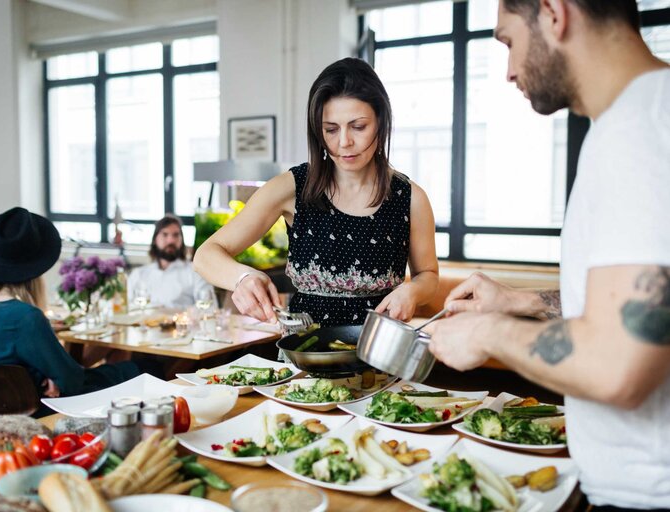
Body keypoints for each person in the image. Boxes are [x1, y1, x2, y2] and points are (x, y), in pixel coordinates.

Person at [426, 0, 669, 509]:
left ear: (554, 14)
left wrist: (486, 332)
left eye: (509, 41)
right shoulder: (650, 113)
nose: (510, 71)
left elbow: (617, 363)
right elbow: (648, 306)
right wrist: (522, 301)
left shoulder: (634, 134)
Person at [194, 58, 439, 326]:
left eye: (358, 127)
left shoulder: (411, 198)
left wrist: (411, 291)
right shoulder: (291, 187)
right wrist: (242, 277)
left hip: (378, 357)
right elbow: (206, 254)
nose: (344, 142)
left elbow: (427, 275)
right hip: (304, 358)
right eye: (331, 129)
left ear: (381, 123)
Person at [0, 207, 142, 410]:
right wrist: (56, 378)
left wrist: (48, 375)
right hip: (42, 407)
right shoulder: (26, 317)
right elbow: (73, 382)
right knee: (142, 368)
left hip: (0, 410)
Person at [128, 214, 214, 309]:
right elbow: (128, 309)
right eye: (165, 234)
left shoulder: (196, 272)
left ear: (182, 240)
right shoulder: (138, 274)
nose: (171, 240)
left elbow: (211, 307)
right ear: (155, 239)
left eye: (176, 235)